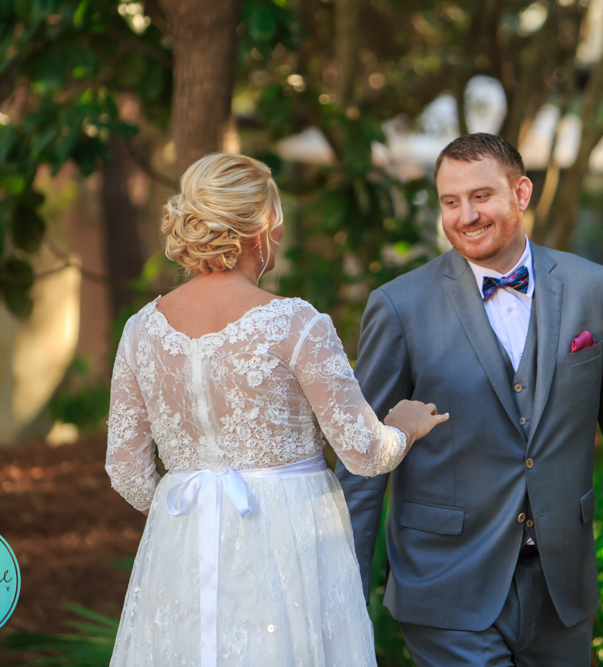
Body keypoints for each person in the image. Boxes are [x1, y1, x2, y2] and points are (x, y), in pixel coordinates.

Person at [336, 133, 603, 666]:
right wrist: (345, 594)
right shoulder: (399, 307)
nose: (465, 215)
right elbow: (361, 459)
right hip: (445, 589)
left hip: (561, 592)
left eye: (481, 196)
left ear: (521, 192)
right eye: (451, 202)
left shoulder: (593, 288)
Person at [104, 152, 448, 667]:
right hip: (286, 538)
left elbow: (127, 473)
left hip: (182, 541)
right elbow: (364, 453)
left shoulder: (140, 331)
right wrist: (404, 427)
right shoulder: (295, 323)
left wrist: (194, 512)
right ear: (260, 231)